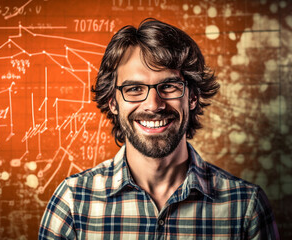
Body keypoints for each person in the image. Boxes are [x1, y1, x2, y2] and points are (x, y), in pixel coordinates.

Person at [39, 18, 279, 239]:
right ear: (113, 102)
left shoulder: (246, 207)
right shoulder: (72, 202)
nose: (153, 105)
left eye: (169, 86)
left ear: (192, 96)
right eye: (134, 89)